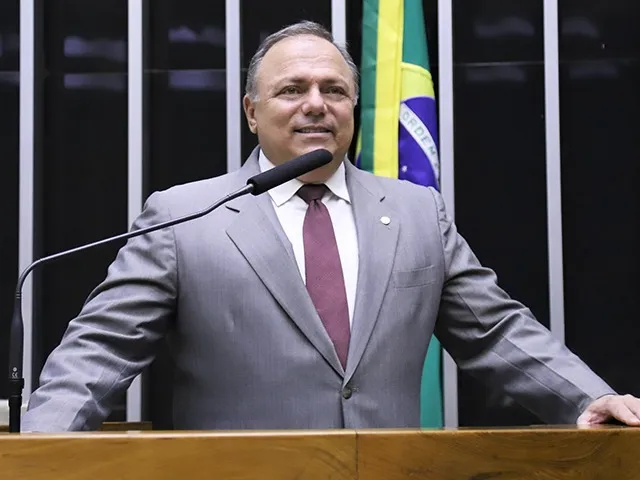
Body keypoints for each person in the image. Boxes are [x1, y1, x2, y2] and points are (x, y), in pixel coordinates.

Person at [22, 21, 640, 432]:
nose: (316, 103)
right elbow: (99, 350)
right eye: (292, 89)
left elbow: (496, 332)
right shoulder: (187, 218)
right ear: (251, 112)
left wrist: (589, 398)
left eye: (334, 90)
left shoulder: (417, 211)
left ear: (353, 108)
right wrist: (37, 448)